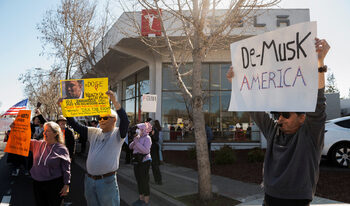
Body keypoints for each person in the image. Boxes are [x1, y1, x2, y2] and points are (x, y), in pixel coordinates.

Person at [226, 38, 330, 206]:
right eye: (276, 114)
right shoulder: (274, 130)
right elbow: (254, 108)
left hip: (297, 201)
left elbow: (319, 102)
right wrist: (236, 82)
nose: (279, 118)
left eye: (285, 115)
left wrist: (320, 61)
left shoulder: (310, 134)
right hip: (269, 197)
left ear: (302, 117)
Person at [58, 90, 129, 206]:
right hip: (89, 180)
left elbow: (125, 121)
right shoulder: (94, 132)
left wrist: (115, 102)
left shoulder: (118, 134)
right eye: (99, 118)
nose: (101, 120)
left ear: (114, 120)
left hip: (107, 182)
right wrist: (64, 108)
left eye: (105, 118)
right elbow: (76, 125)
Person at [29, 121, 71, 206]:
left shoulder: (62, 149)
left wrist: (66, 185)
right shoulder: (37, 144)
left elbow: (66, 168)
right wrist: (14, 129)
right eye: (44, 130)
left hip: (54, 185)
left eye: (47, 131)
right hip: (37, 183)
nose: (44, 133)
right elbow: (21, 140)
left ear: (55, 133)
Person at [129, 123, 152, 206]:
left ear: (144, 130)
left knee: (144, 181)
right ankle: (141, 199)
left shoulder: (147, 138)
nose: (137, 131)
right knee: (138, 180)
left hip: (145, 161)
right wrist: (134, 140)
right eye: (137, 129)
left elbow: (146, 151)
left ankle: (146, 202)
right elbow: (130, 147)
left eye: (139, 129)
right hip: (137, 161)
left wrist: (137, 142)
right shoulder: (138, 137)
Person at [150, 120, 163, 185]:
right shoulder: (153, 130)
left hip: (154, 148)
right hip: (152, 148)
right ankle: (157, 179)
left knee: (155, 165)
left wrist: (152, 135)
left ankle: (158, 179)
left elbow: (156, 138)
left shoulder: (155, 130)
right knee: (153, 165)